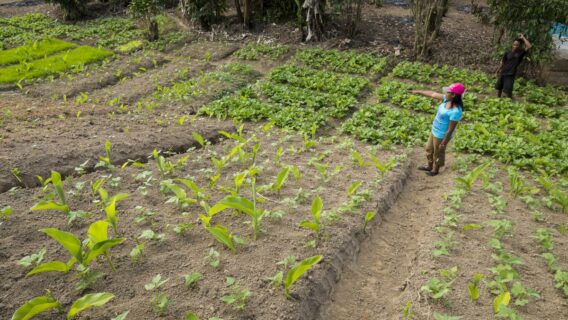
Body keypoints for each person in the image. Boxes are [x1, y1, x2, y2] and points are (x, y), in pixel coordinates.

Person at [411, 83, 465, 176]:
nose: (445, 93)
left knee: (438, 152)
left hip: (442, 135)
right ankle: (429, 166)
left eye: (448, 92)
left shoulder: (456, 111)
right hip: (434, 130)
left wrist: (443, 143)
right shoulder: (446, 100)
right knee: (429, 149)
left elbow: (450, 130)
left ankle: (435, 170)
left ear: (453, 95)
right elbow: (432, 94)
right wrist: (419, 91)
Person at [495, 34, 532, 98]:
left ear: (519, 46)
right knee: (499, 88)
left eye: (517, 45)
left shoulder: (520, 52)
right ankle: (498, 99)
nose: (515, 46)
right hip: (503, 72)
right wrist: (497, 71)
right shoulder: (507, 52)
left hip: (511, 73)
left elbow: (529, 46)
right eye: (514, 44)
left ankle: (510, 101)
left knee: (508, 90)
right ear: (512, 45)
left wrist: (523, 38)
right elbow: (503, 62)